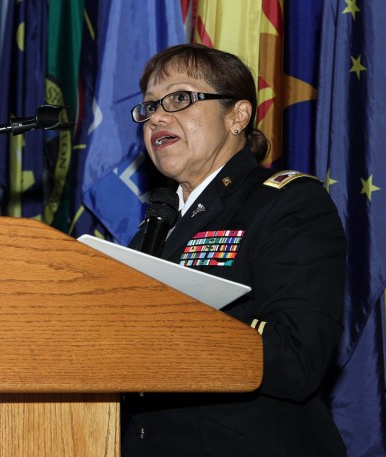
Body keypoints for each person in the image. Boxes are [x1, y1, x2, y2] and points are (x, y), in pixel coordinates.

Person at [122, 43, 347, 457]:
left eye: (180, 98)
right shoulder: (155, 226)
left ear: (238, 116)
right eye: (150, 106)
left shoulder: (285, 203)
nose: (156, 116)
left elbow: (297, 359)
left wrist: (167, 330)